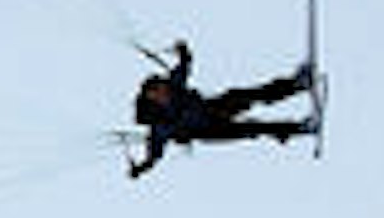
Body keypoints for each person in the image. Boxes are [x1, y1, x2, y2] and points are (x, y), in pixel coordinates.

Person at [127, 39, 314, 179]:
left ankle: (297, 85)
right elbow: (153, 156)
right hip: (209, 131)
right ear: (152, 97)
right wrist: (141, 169)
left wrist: (183, 52)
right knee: (253, 127)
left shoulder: (173, 86)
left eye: (162, 87)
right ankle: (299, 128)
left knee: (250, 95)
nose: (164, 90)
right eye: (159, 90)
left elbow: (185, 66)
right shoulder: (159, 127)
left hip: (212, 108)